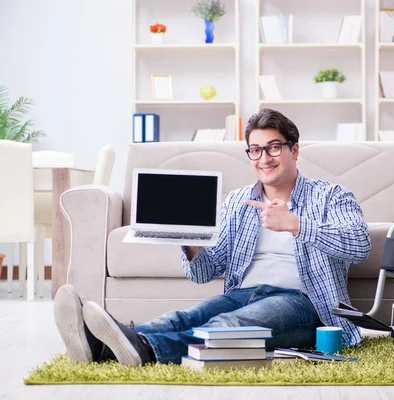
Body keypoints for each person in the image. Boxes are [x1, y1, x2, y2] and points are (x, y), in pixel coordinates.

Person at [54, 108, 371, 366]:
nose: (264, 158)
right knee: (183, 317)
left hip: (302, 302)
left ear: (294, 149)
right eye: (256, 150)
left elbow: (359, 245)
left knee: (230, 327)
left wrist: (295, 224)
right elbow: (204, 272)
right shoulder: (237, 201)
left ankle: (142, 349)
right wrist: (186, 237)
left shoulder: (331, 196)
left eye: (274, 147)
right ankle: (98, 347)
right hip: (243, 293)